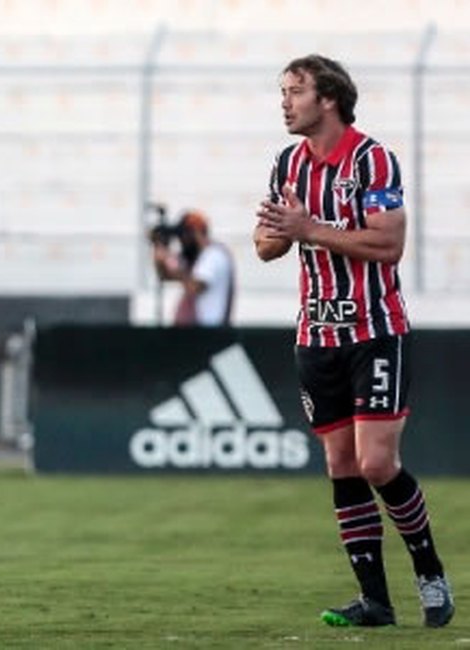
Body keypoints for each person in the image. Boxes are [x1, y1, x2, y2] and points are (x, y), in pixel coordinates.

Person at [255, 54, 454, 628]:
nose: (285, 102)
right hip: (316, 336)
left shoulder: (372, 160)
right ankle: (376, 602)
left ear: (329, 99)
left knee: (376, 462)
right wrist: (277, 233)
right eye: (283, 92)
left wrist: (309, 229)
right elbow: (266, 246)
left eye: (295, 91)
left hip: (375, 331)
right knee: (341, 464)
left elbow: (389, 246)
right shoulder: (287, 164)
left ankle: (430, 572)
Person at [150, 210, 234, 327]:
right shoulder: (198, 258)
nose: (182, 241)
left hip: (210, 333)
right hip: (198, 333)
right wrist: (159, 254)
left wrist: (170, 260)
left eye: (183, 235)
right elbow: (165, 276)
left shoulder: (214, 254)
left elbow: (195, 287)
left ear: (196, 233)